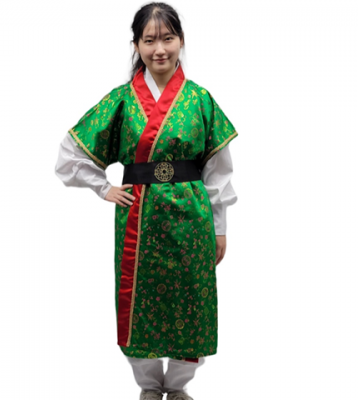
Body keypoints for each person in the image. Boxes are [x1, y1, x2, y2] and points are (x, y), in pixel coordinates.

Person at [55, 3, 238, 400]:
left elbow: (218, 171)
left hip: (192, 221)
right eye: (150, 40)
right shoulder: (121, 100)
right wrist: (103, 187)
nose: (160, 49)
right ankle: (149, 388)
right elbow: (70, 154)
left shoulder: (201, 100)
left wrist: (220, 227)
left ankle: (179, 387)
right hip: (139, 218)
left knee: (191, 300)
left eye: (167, 38)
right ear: (136, 44)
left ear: (181, 41)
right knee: (140, 301)